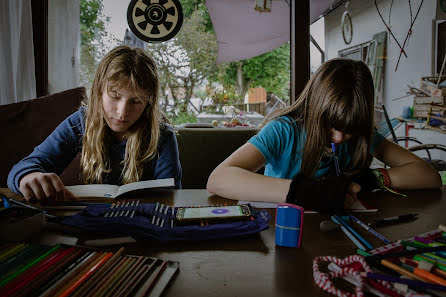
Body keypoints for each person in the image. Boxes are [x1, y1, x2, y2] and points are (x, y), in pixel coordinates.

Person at [207, 58, 441, 214]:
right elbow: (218, 179)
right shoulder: (284, 131)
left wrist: (371, 179)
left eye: (348, 130)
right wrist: (305, 192)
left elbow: (430, 177)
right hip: (283, 233)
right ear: (314, 108)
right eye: (331, 126)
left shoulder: (362, 135)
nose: (339, 138)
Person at [8, 45, 182, 203]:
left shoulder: (162, 135)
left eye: (136, 101)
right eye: (115, 96)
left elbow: (170, 197)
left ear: (148, 103)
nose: (122, 112)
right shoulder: (80, 121)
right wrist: (29, 177)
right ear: (99, 91)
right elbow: (23, 168)